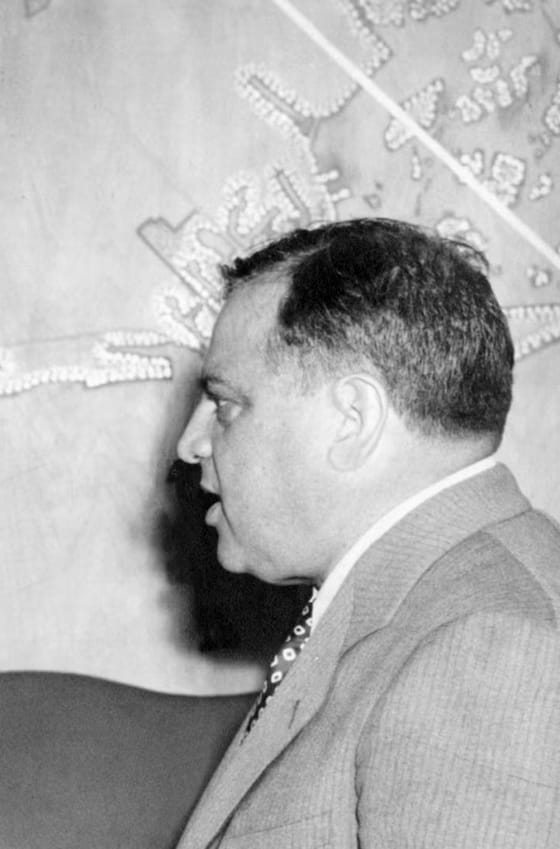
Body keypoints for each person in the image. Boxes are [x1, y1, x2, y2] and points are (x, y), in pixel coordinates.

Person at [172, 217, 560, 847]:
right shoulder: (427, 606)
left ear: (352, 419)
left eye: (225, 404)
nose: (191, 445)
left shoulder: (488, 646)